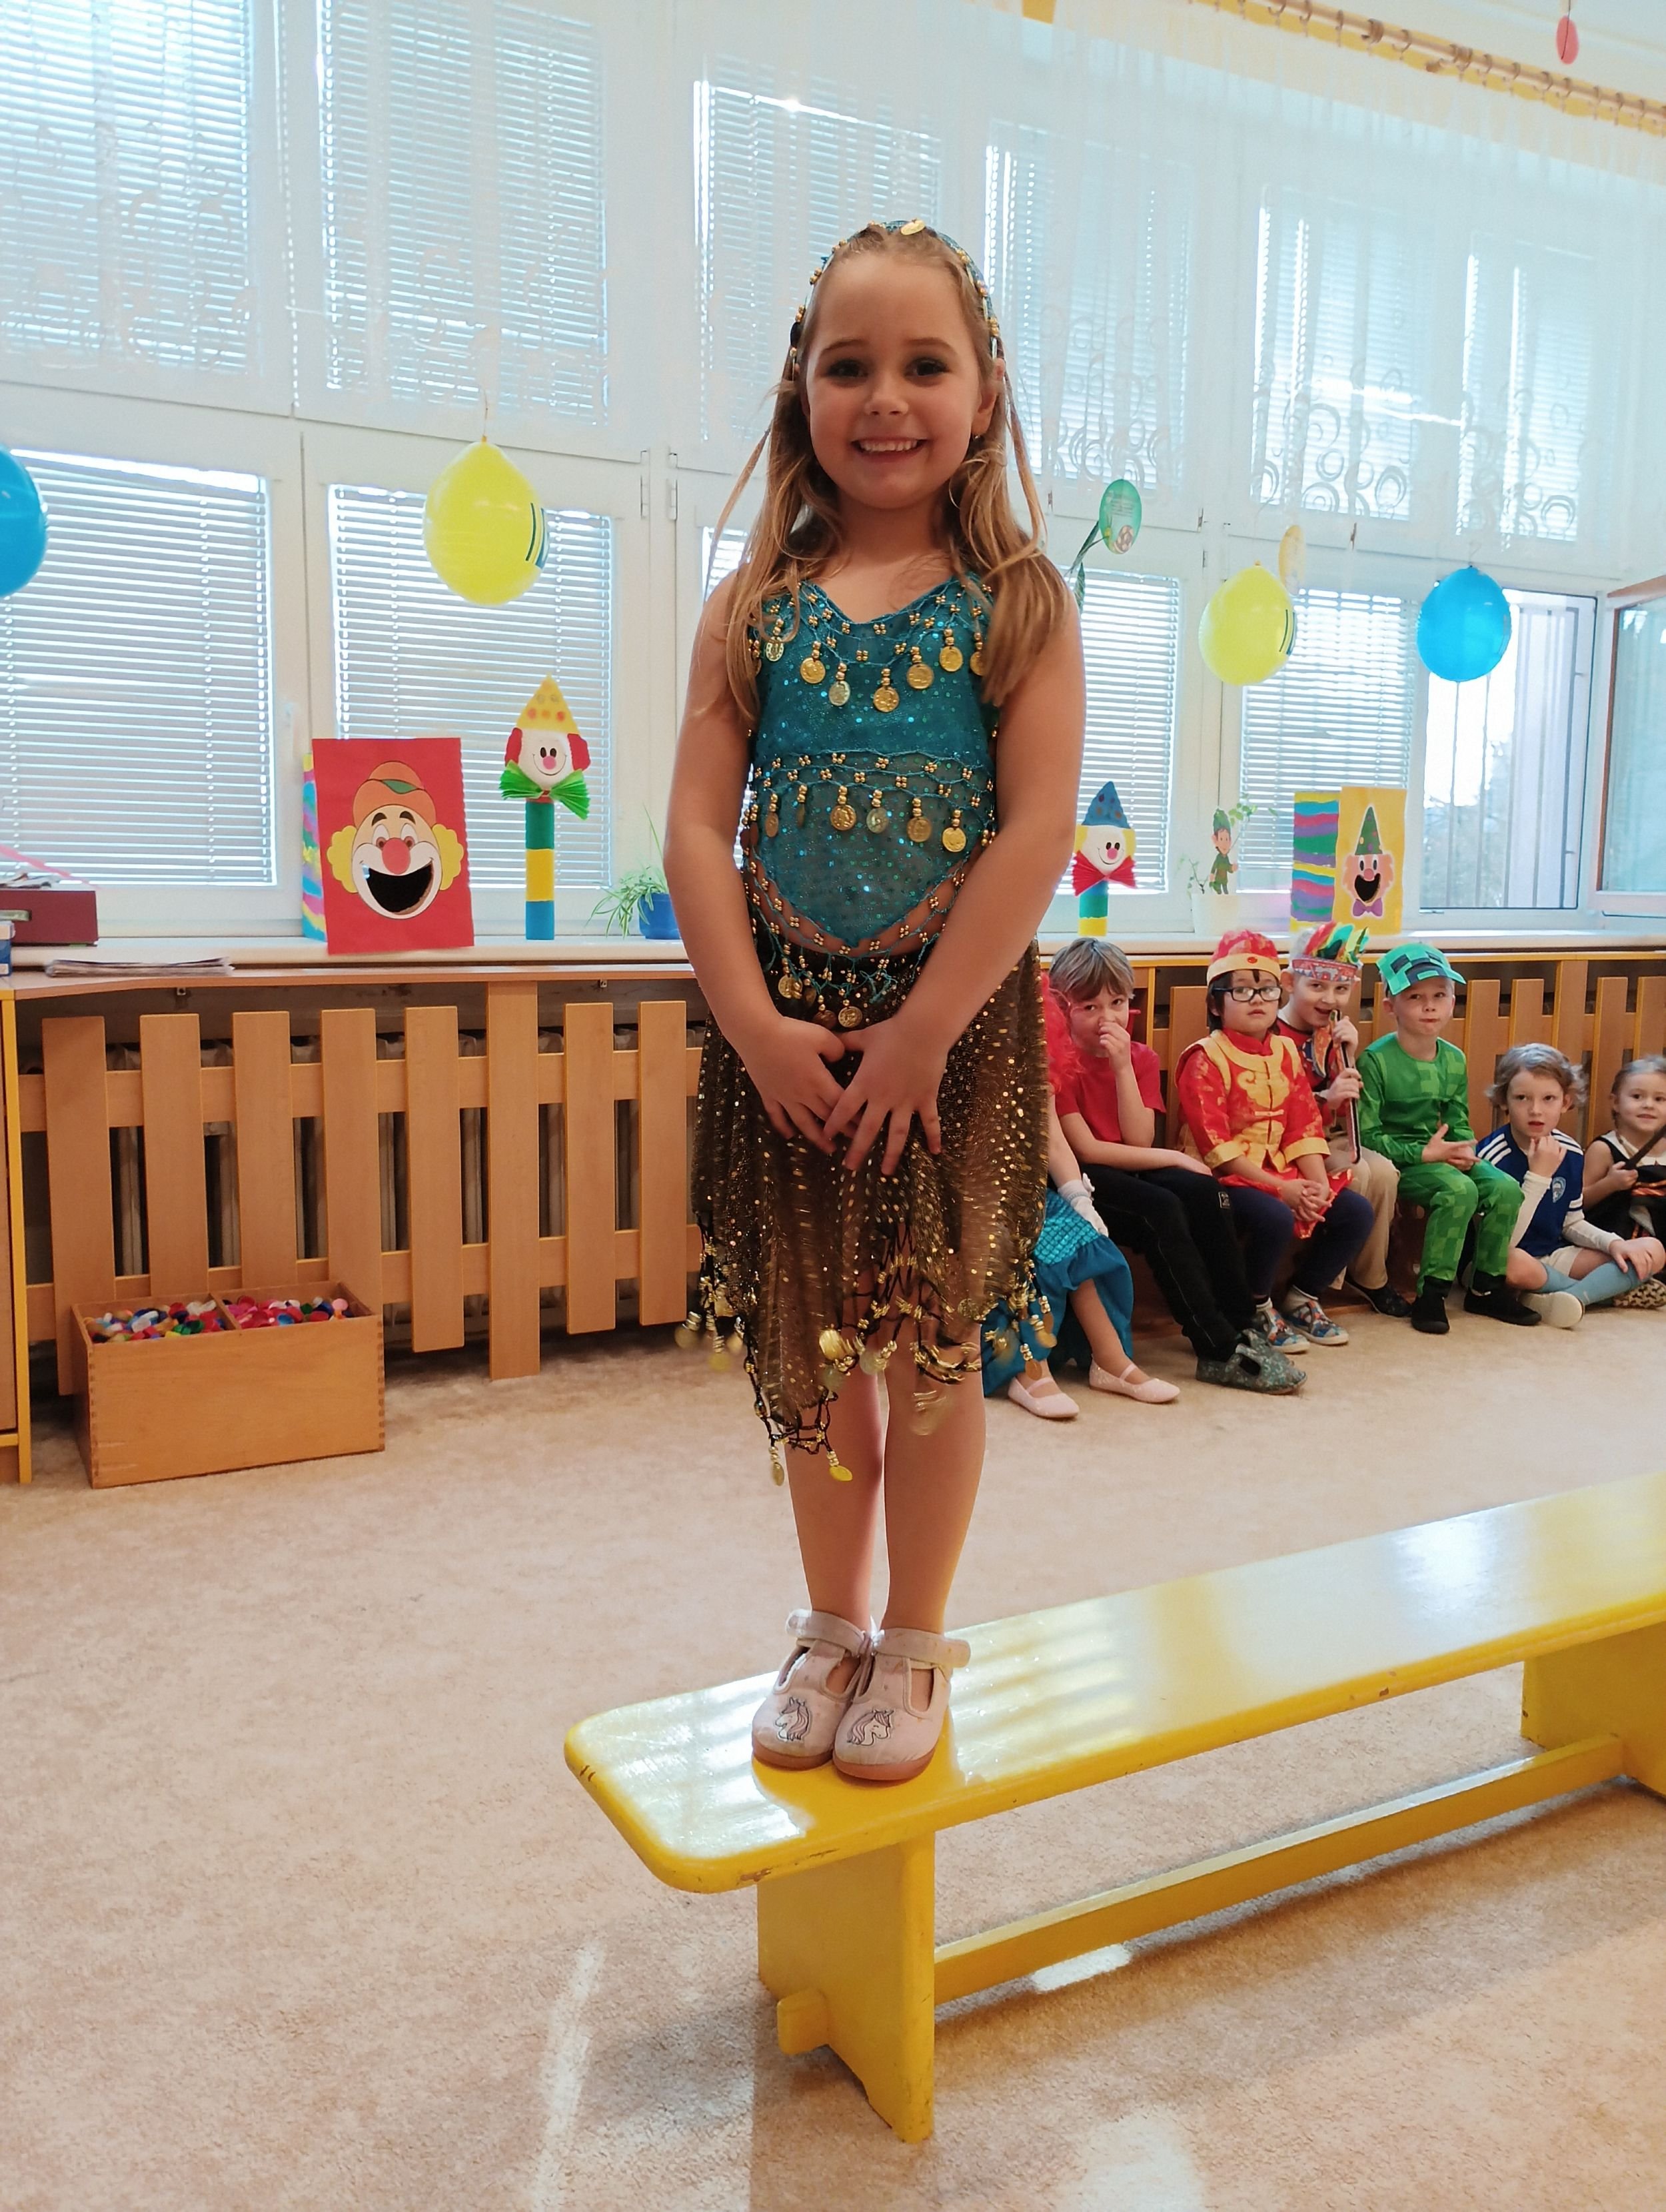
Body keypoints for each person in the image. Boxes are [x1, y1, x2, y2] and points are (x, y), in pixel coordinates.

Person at [664, 219, 1082, 1785]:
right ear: (802, 390)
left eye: (923, 365)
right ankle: (829, 1624)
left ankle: (913, 1635)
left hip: (946, 1044)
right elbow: (693, 828)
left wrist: (920, 1031)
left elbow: (1033, 831)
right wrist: (754, 1025)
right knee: (814, 1343)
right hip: (783, 1039)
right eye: (849, 365)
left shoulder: (1016, 603)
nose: (886, 398)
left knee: (934, 1348)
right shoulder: (749, 607)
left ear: (983, 393)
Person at [1048, 936, 1303, 1393]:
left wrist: (1123, 1067)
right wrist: (1174, 1158)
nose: (1108, 1018)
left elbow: (1138, 1139)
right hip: (1081, 1179)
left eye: (1117, 1003)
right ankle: (1215, 1345)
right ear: (1062, 1008)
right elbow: (1086, 1150)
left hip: (1131, 1161)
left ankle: (1242, 1323)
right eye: (1089, 1007)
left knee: (1206, 1193)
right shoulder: (1060, 1064)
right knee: (1160, 1208)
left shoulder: (1140, 1058)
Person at [1174, 931, 1373, 1350]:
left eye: (1266, 989)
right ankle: (1254, 1306)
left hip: (1278, 1171)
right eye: (1242, 991)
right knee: (1274, 1216)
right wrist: (1282, 1190)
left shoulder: (1284, 1051)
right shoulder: (1204, 1058)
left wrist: (1317, 1186)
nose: (1257, 1000)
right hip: (1217, 1177)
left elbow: (1303, 1125)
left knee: (1354, 1211)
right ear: (1216, 1004)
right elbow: (1217, 1149)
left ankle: (1303, 1297)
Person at [1355, 941, 1535, 1335]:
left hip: (1443, 1154)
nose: (1429, 1007)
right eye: (1415, 997)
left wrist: (1465, 1149)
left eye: (1439, 996)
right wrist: (1424, 1153)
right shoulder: (1376, 1061)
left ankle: (1486, 1288)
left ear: (1453, 1001)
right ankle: (1432, 1295)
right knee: (1458, 1191)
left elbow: (1457, 1118)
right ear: (1390, 1007)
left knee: (1505, 1188)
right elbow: (1367, 1136)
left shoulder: (1453, 1058)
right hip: (1404, 1161)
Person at [982, 1095, 1179, 1419]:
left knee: (1074, 1232)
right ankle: (1029, 1366)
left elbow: (1054, 1141)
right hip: (965, 1190)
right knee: (1022, 1239)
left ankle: (1110, 1358)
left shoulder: (1036, 1067)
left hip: (1026, 1188)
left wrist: (1079, 1200)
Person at [1475, 1045, 1666, 1327]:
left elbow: (1572, 1222)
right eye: (1522, 1098)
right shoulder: (1491, 1156)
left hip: (1555, 1254)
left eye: (1549, 1099)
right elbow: (1500, 1243)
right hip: (1502, 1258)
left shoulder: (1571, 1151)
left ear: (1565, 1102)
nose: (1536, 1110)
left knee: (1651, 1250)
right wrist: (1538, 1178)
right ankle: (1596, 1293)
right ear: (1504, 1101)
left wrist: (1614, 1243)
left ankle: (1566, 1298)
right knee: (1511, 1263)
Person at [1276, 923, 1410, 1318]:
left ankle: (1371, 1277)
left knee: (1384, 1172)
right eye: (1316, 986)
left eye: (1340, 988)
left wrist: (1348, 1055)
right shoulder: (1272, 1033)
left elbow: (1346, 1111)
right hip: (1287, 1143)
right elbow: (1278, 1110)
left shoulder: (1333, 1033)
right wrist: (1326, 1098)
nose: (1329, 999)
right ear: (1290, 982)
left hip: (1327, 1133)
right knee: (1358, 1173)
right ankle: (1321, 1282)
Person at [1583, 1056, 1666, 1307]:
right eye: (1637, 1096)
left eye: (1660, 1099)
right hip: (1619, 1242)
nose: (1648, 1105)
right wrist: (1609, 1184)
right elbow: (1578, 1203)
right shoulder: (1605, 1149)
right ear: (1616, 1102)